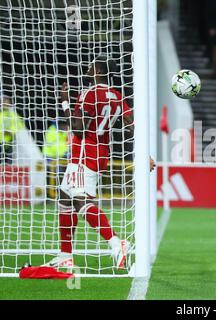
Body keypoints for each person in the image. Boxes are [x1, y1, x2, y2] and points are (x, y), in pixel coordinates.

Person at [45, 56, 135, 269]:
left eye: (91, 65)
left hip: (84, 153)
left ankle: (117, 242)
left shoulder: (88, 94)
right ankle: (65, 254)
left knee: (81, 202)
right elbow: (132, 124)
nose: (87, 66)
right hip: (101, 153)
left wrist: (65, 102)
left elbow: (77, 128)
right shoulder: (116, 96)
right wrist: (145, 153)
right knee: (65, 198)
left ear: (98, 70)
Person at [0, 94, 24, 164]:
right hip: (1, 141)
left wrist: (11, 131)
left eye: (7, 101)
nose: (6, 103)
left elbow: (19, 125)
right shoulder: (1, 114)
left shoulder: (13, 114)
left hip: (9, 142)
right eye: (4, 100)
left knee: (7, 163)